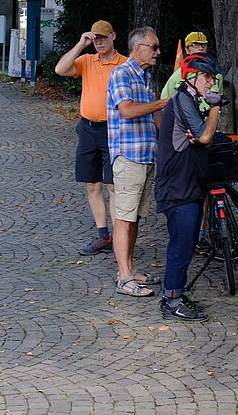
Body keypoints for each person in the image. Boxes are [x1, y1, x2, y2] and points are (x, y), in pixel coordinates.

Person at [154, 53, 226, 321]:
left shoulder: (192, 101)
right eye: (207, 77)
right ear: (191, 77)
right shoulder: (183, 99)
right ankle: (171, 300)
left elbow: (202, 139)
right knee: (181, 245)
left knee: (185, 244)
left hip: (187, 184)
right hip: (177, 187)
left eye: (213, 78)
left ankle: (176, 292)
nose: (211, 83)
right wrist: (216, 106)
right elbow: (206, 136)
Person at [106, 26, 167, 297]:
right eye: (153, 47)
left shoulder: (145, 77)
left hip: (146, 155)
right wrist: (164, 103)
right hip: (128, 157)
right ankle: (124, 278)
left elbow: (153, 119)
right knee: (123, 218)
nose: (158, 52)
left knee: (135, 218)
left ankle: (131, 268)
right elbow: (127, 110)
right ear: (138, 47)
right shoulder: (121, 73)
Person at [55, 20, 126, 256]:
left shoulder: (124, 64)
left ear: (113, 36)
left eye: (103, 38)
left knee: (113, 185)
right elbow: (60, 69)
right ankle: (102, 236)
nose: (99, 43)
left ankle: (119, 238)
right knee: (92, 184)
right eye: (95, 39)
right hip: (87, 129)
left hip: (114, 130)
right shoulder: (86, 61)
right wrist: (79, 45)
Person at [159, 31, 223, 100]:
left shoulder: (217, 74)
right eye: (195, 45)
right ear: (187, 50)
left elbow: (218, 97)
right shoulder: (178, 75)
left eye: (203, 45)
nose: (200, 48)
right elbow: (165, 100)